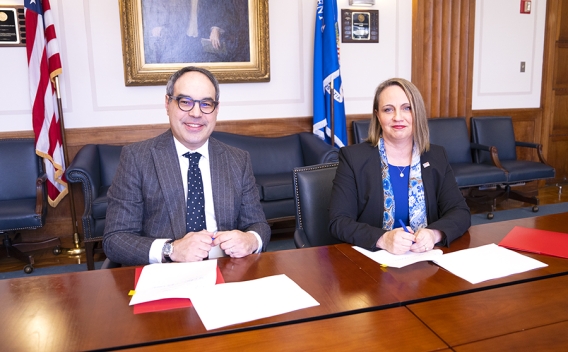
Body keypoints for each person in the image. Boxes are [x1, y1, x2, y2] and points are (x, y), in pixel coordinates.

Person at [103, 66, 270, 266]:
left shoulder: (238, 160)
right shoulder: (137, 158)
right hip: (165, 275)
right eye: (185, 102)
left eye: (206, 104)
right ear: (167, 103)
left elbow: (259, 225)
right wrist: (170, 249)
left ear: (216, 109)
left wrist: (251, 239)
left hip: (227, 271)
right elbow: (115, 239)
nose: (196, 113)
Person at [329, 78, 470, 254]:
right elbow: (339, 221)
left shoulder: (436, 156)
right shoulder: (353, 158)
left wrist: (434, 234)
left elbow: (460, 212)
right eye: (388, 110)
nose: (398, 117)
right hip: (372, 263)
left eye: (407, 108)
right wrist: (383, 239)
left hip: (423, 260)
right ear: (378, 117)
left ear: (417, 113)